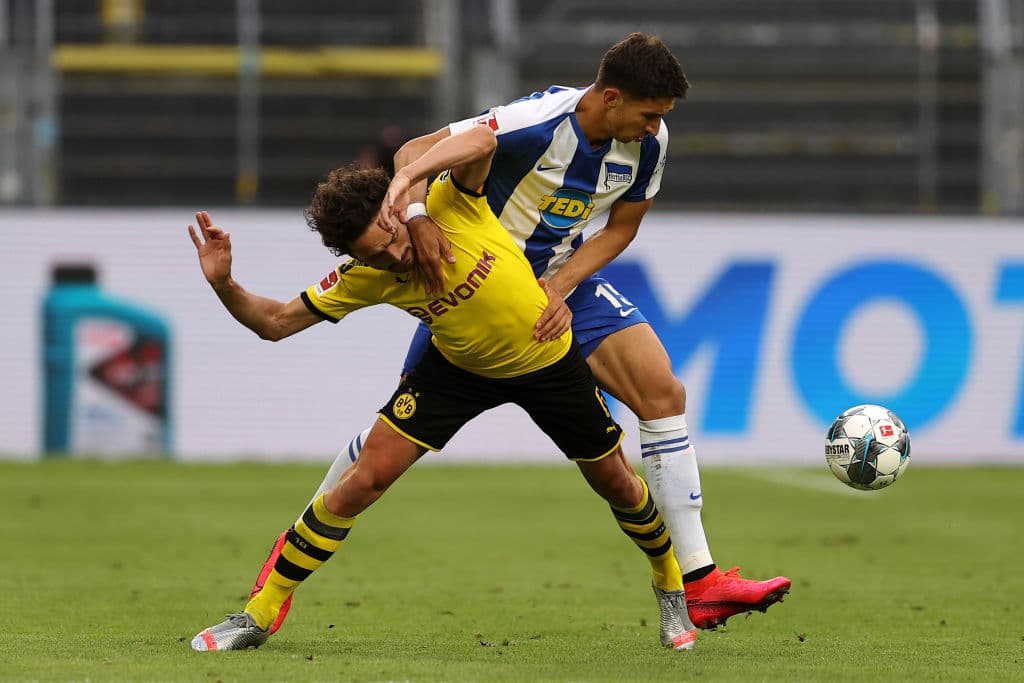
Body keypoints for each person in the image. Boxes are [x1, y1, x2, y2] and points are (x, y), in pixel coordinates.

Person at [252, 31, 790, 636]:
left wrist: (558, 287)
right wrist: (422, 214)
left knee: (662, 393)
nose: (655, 127)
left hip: (558, 285)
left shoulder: (650, 143)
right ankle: (289, 549)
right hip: (468, 285)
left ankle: (700, 580)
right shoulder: (534, 122)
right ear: (610, 98)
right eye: (647, 114)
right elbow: (414, 152)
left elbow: (620, 229)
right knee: (383, 448)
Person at [188, 124, 699, 652]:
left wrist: (410, 195)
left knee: (616, 483)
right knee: (364, 480)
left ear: (393, 212)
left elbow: (484, 140)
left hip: (548, 361)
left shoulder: (450, 203)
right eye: (376, 257)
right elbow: (274, 322)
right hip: (457, 372)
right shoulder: (367, 275)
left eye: (391, 240)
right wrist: (226, 284)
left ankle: (669, 583)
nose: (396, 258)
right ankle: (259, 613)